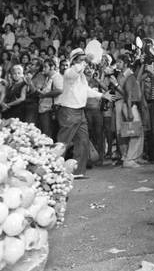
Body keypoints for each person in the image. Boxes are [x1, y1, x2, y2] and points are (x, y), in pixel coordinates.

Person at [57, 48, 111, 179]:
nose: (85, 62)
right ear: (74, 60)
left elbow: (86, 90)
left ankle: (77, 172)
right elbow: (75, 71)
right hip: (69, 111)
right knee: (63, 143)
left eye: (84, 60)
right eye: (81, 60)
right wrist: (85, 61)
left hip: (80, 112)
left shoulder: (81, 75)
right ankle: (55, 171)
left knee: (83, 142)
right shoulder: (69, 72)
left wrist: (102, 95)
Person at [114, 54, 144, 168]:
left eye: (119, 62)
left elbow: (129, 94)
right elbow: (128, 94)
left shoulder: (129, 75)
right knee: (132, 131)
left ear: (126, 64)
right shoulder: (126, 76)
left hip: (127, 104)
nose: (117, 64)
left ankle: (130, 157)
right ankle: (129, 158)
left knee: (131, 130)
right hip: (128, 105)